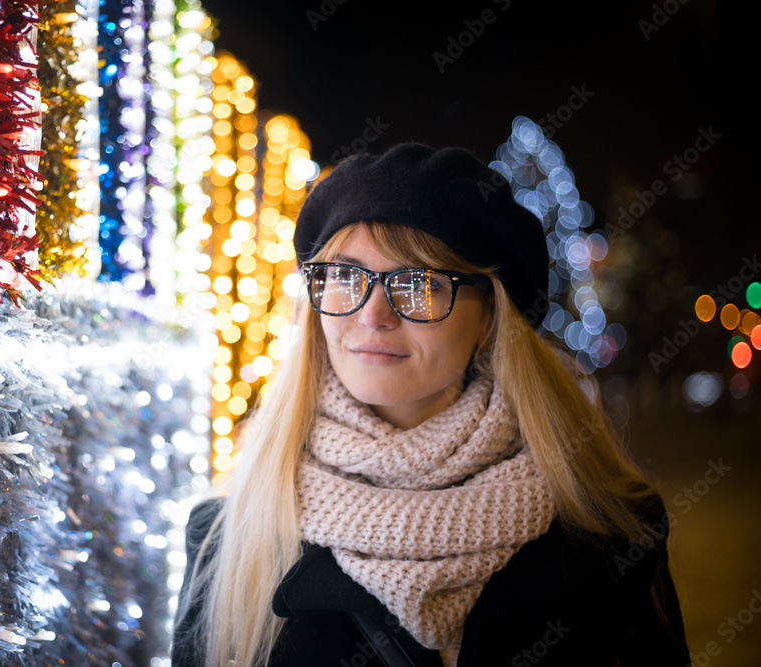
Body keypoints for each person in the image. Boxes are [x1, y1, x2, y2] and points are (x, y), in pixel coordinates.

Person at [171, 143, 689, 666]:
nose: (373, 316)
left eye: (417, 283)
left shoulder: (614, 533)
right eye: (346, 277)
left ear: (489, 316)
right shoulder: (228, 539)